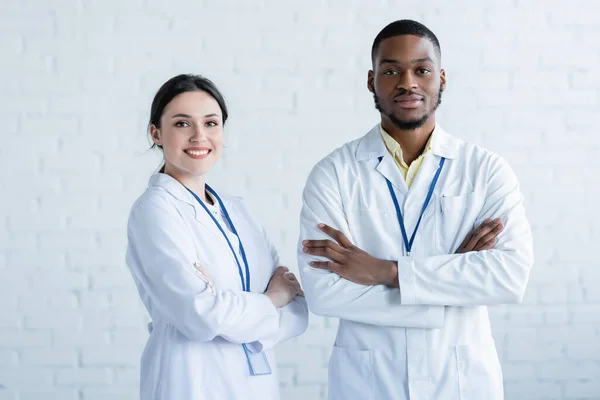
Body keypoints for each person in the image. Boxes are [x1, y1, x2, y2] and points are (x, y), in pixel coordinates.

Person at [298, 20, 533, 400]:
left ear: (441, 78)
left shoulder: (485, 170)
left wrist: (385, 272)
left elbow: (510, 275)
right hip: (370, 380)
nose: (407, 82)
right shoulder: (334, 174)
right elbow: (325, 292)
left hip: (460, 378)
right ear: (371, 80)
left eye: (421, 70)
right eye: (391, 71)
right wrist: (452, 279)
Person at [126, 74, 309, 400]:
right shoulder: (155, 211)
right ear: (156, 133)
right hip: (191, 383)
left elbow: (296, 311)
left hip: (256, 385)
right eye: (182, 124)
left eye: (211, 123)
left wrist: (232, 311)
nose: (200, 136)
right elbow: (198, 315)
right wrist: (270, 300)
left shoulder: (238, 211)